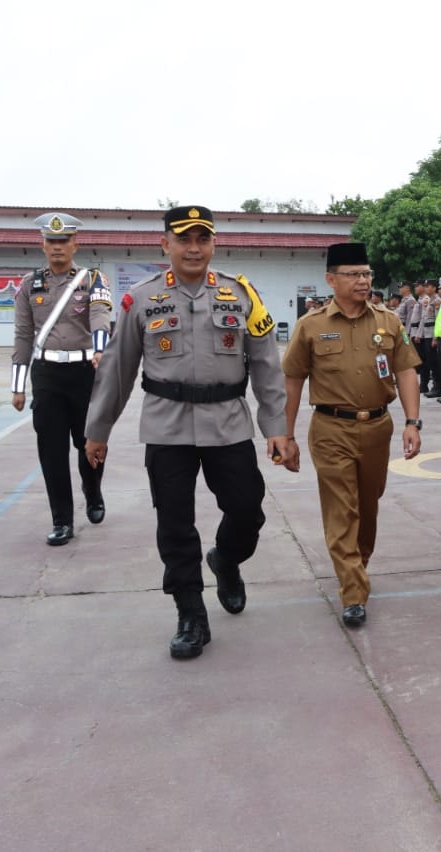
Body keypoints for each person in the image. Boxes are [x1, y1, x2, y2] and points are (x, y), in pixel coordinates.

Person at [84, 206, 294, 659]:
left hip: (228, 422)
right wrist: (98, 430)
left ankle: (228, 559)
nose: (194, 247)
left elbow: (265, 364)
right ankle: (190, 613)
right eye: (184, 239)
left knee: (247, 509)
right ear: (165, 245)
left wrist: (276, 427)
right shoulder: (141, 299)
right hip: (166, 425)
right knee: (174, 524)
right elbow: (118, 371)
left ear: (214, 244)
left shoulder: (241, 295)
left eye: (203, 238)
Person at [283, 243, 422, 627]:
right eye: (354, 275)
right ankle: (353, 591)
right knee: (342, 507)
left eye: (366, 274)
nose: (363, 281)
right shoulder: (310, 325)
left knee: (368, 504)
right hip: (331, 427)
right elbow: (293, 380)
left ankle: (357, 565)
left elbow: (407, 371)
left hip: (378, 427)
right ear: (331, 280)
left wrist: (413, 421)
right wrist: (286, 433)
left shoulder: (388, 321)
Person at [12, 212, 113, 546]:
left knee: (90, 442)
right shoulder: (30, 284)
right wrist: (18, 386)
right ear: (42, 244)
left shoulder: (93, 279)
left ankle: (93, 489)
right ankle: (62, 520)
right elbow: (24, 335)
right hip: (47, 376)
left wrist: (100, 349)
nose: (57, 247)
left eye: (63, 241)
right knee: (51, 451)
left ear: (75, 244)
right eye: (51, 241)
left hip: (86, 373)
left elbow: (101, 315)